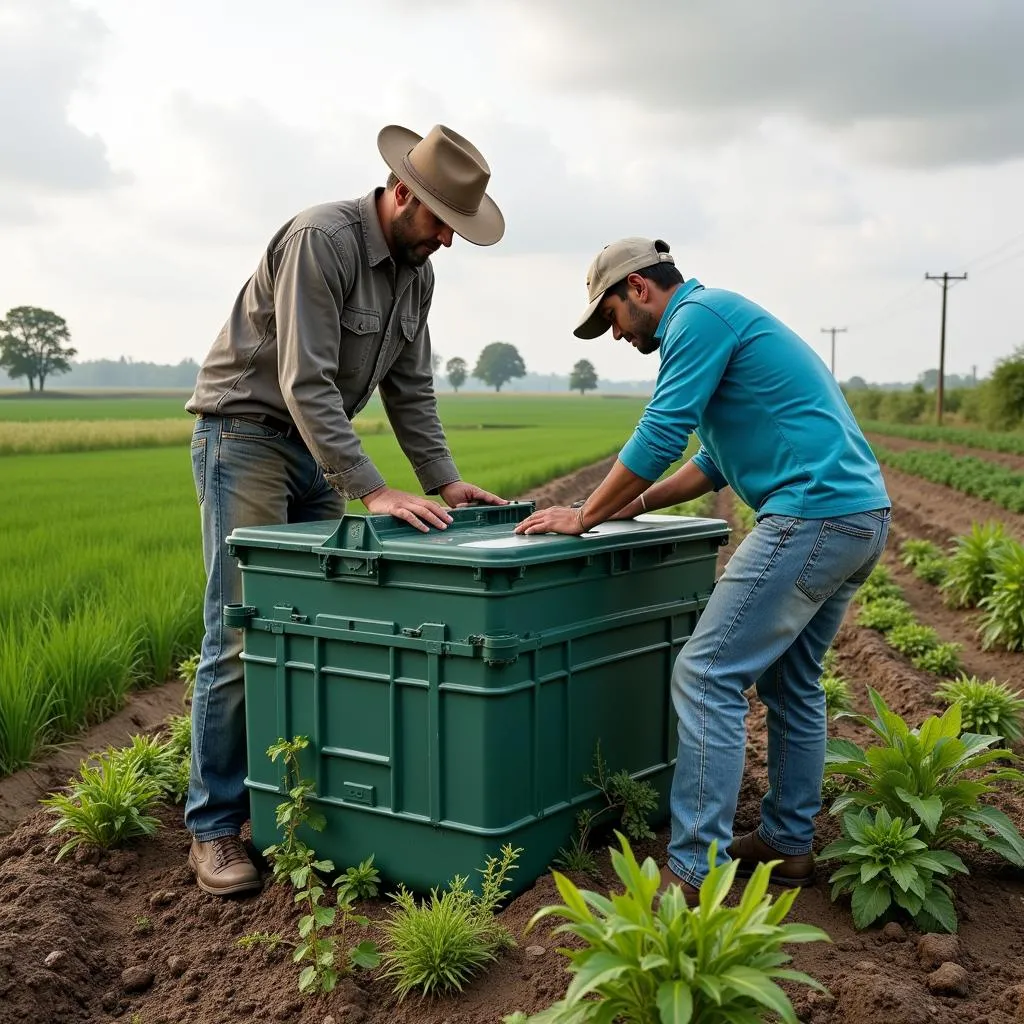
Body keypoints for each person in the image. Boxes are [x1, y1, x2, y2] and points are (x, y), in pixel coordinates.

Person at [183, 124, 509, 896]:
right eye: (441, 224)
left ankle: (294, 801)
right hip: (248, 436)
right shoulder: (320, 241)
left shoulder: (416, 275)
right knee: (242, 629)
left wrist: (443, 480)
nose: (447, 243)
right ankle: (214, 826)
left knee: (317, 626)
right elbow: (304, 382)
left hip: (309, 450)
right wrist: (371, 487)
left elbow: (411, 387)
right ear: (402, 194)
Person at [515, 237, 890, 900]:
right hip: (858, 516)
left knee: (705, 671)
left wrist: (584, 515)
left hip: (811, 514)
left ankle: (694, 872)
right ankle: (787, 842)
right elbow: (710, 463)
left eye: (610, 319)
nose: (615, 336)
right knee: (792, 682)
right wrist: (634, 502)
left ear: (637, 288)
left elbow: (663, 432)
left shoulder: (697, 319)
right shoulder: (725, 321)